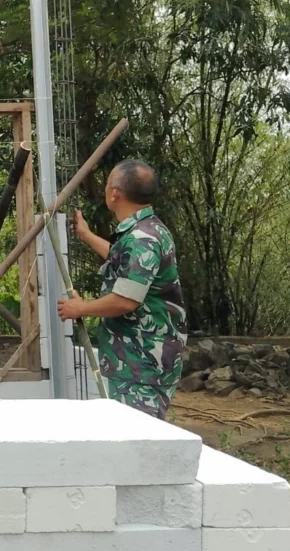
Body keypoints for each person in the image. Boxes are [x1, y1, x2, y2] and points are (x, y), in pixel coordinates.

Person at [57, 159, 187, 420]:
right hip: (137, 362)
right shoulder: (146, 231)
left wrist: (81, 308)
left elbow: (126, 300)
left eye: (107, 185)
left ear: (115, 193)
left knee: (139, 441)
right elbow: (127, 266)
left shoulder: (143, 239)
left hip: (142, 363)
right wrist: (86, 235)